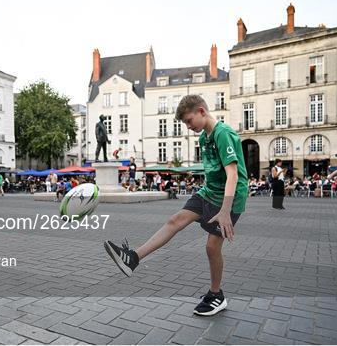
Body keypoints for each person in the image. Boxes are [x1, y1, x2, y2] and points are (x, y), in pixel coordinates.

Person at [104, 94, 248, 316]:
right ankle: (133, 258)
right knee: (175, 220)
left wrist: (225, 211)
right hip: (209, 192)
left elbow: (232, 175)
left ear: (201, 111)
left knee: (211, 247)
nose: (188, 127)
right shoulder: (203, 138)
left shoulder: (223, 134)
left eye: (189, 121)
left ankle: (216, 295)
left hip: (230, 198)